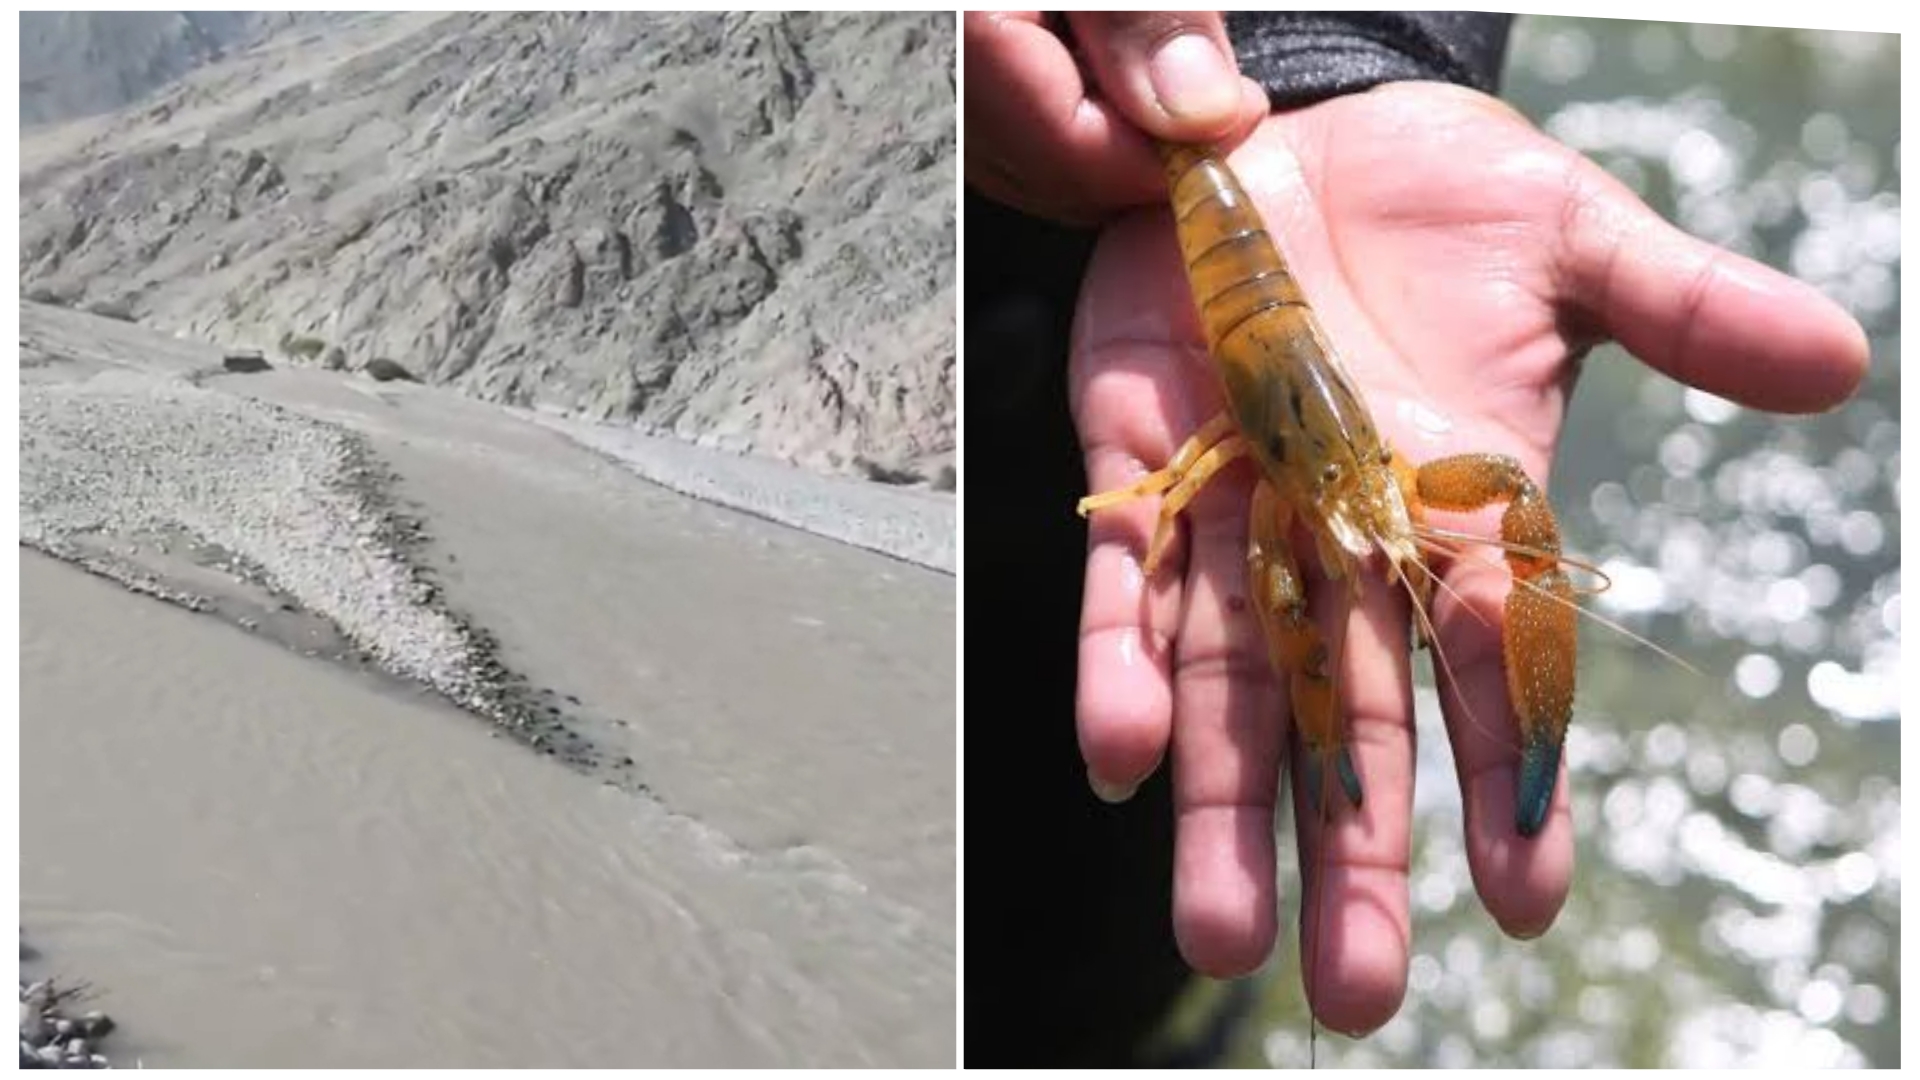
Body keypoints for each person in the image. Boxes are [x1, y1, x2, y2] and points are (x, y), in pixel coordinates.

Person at [964, 11, 1869, 1066]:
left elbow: (1501, 506)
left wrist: (1340, 53)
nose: (1376, 526)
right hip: (1034, 286)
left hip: (1100, 232)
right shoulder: (1263, 498)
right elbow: (1266, 567)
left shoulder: (1379, 475)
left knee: (1100, 925)